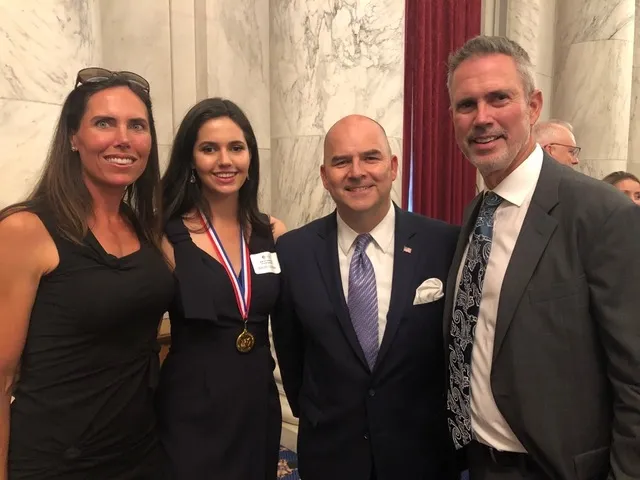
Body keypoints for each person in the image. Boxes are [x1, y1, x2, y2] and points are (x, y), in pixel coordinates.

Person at [444, 35, 640, 480]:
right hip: (476, 462)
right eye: (466, 104)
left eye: (499, 98)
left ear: (533, 107)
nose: (483, 117)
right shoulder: (478, 212)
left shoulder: (600, 214)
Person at [0, 68, 173, 479]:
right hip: (58, 462)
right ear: (73, 138)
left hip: (141, 451)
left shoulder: (144, 228)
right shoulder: (25, 230)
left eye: (137, 125)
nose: (123, 139)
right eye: (104, 123)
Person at [272, 114, 459, 480]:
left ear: (392, 168)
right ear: (325, 177)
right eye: (341, 162)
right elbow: (291, 354)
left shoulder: (444, 244)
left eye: (370, 158)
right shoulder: (293, 252)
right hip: (331, 453)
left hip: (422, 454)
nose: (356, 172)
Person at [156, 97, 286, 480]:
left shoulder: (273, 232)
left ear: (250, 157)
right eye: (209, 149)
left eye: (236, 147)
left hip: (256, 402)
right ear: (190, 160)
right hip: (192, 407)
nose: (225, 161)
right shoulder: (165, 235)